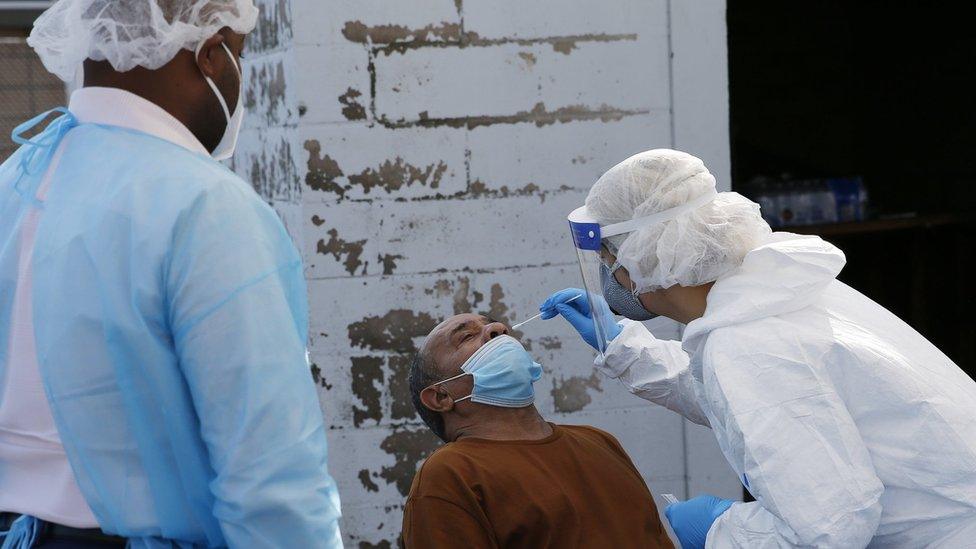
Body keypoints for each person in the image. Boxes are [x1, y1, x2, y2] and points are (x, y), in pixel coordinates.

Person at [0, 1, 341, 547]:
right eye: (241, 55)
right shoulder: (204, 205)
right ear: (211, 53)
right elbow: (272, 480)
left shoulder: (14, 182)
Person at [542, 149, 976, 548]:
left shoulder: (747, 345)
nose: (609, 277)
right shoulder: (770, 290)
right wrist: (624, 348)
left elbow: (828, 531)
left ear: (638, 262)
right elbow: (742, 398)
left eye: (607, 261)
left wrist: (720, 530)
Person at [401, 313, 674, 548]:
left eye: (494, 325)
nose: (498, 329)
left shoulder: (599, 441)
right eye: (467, 337)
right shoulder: (450, 474)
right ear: (440, 397)